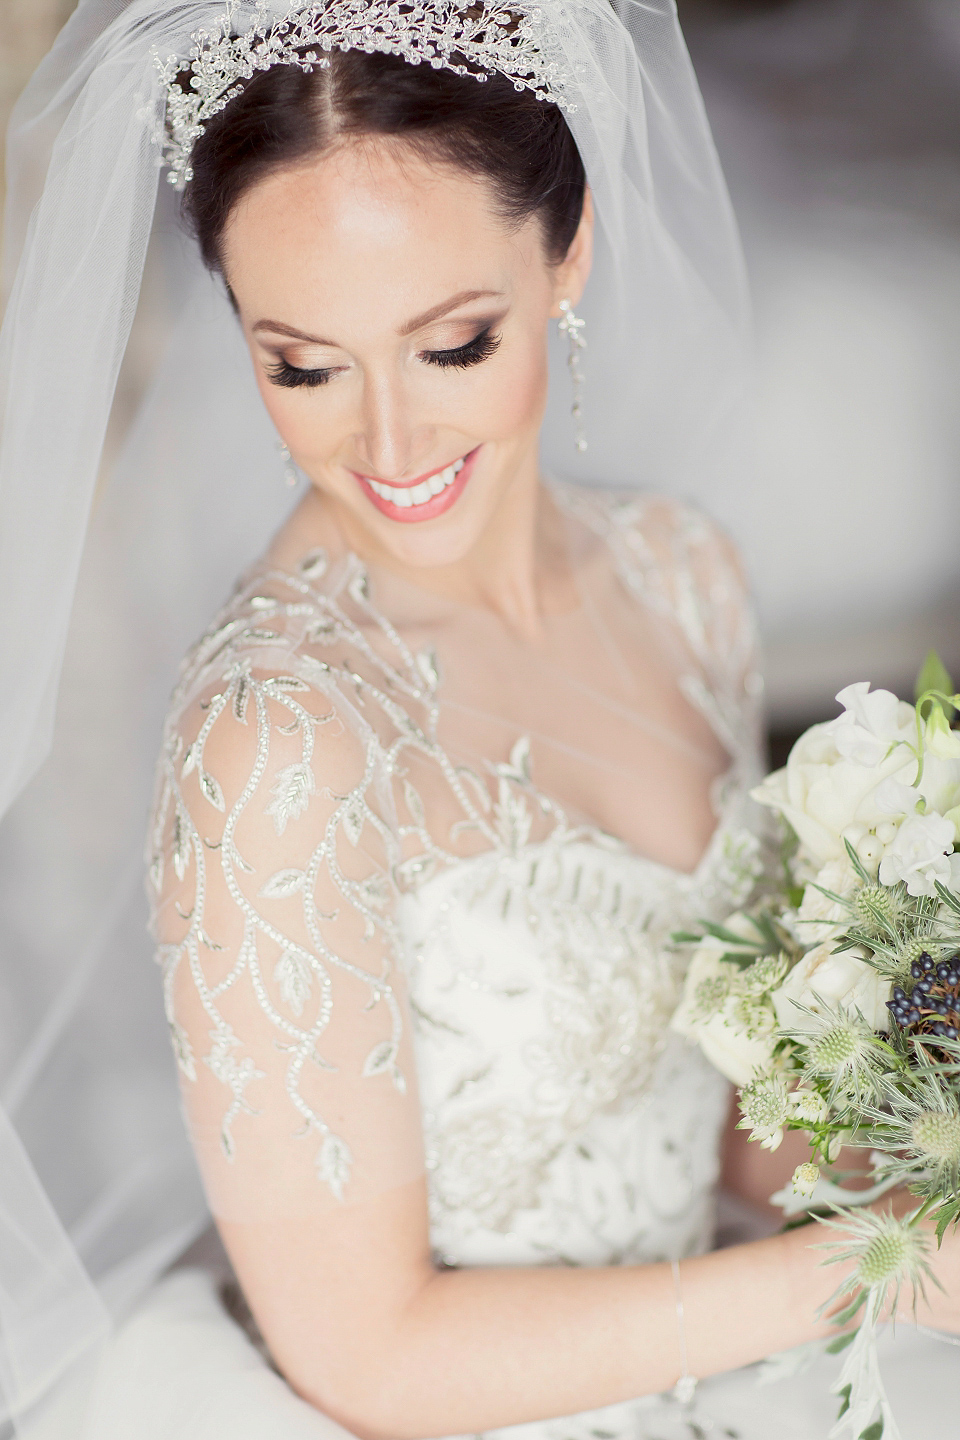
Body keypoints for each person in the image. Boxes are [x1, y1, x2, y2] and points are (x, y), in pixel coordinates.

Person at [1, 4, 958, 1440]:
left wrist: (909, 1154)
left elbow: (737, 1108)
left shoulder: (679, 572)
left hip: (742, 1343)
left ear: (566, 256)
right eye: (304, 365)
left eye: (453, 342)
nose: (386, 446)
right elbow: (367, 1362)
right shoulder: (280, 745)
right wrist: (873, 1272)